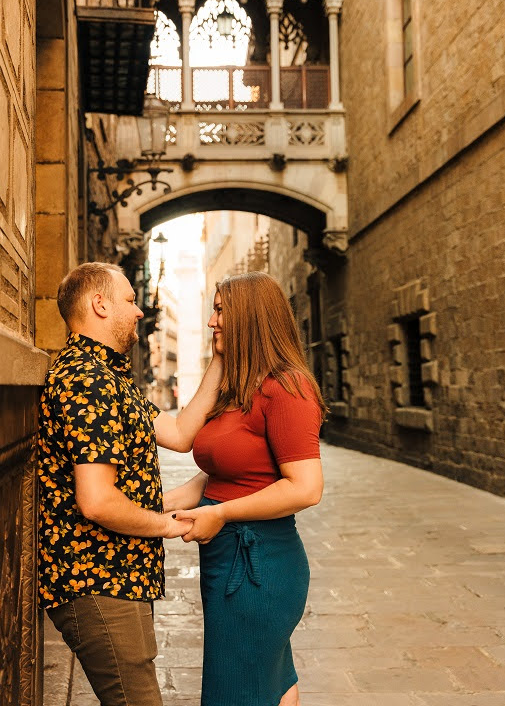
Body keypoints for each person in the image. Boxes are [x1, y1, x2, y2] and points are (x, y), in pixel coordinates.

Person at [38, 262, 222, 706]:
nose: (139, 311)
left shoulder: (109, 378)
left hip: (119, 578)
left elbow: (178, 435)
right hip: (97, 581)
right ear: (99, 304)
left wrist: (222, 357)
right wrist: (171, 526)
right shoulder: (87, 381)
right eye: (129, 300)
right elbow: (98, 501)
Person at [165, 271, 326, 706]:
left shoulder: (287, 388)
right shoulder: (239, 388)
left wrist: (219, 514)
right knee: (271, 681)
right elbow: (219, 474)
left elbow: (306, 488)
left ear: (250, 317)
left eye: (220, 310)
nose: (212, 320)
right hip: (227, 561)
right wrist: (158, 505)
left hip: (259, 566)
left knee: (237, 690)